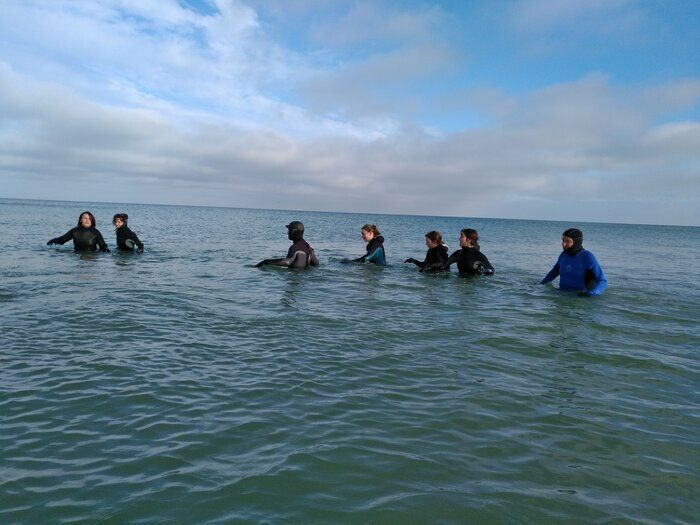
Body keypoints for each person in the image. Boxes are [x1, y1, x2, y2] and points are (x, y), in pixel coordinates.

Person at [540, 228, 607, 296]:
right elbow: (553, 273)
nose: (563, 244)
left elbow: (602, 281)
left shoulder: (587, 256)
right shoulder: (563, 255)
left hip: (580, 298)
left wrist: (592, 294)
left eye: (567, 241)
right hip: (562, 294)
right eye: (563, 240)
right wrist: (540, 285)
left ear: (576, 242)